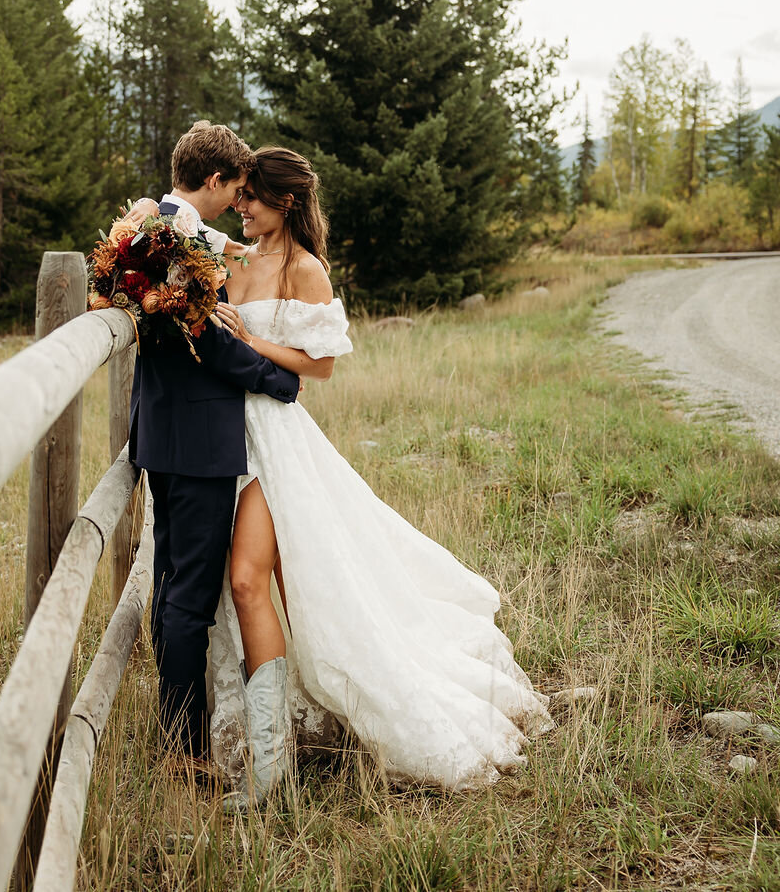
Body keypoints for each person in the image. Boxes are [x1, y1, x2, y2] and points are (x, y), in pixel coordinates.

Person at [208, 146, 552, 807]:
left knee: (250, 581)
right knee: (254, 587)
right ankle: (273, 739)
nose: (239, 204)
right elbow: (174, 223)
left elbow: (322, 366)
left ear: (283, 202)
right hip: (222, 433)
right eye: (237, 194)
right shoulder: (235, 258)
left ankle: (269, 762)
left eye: (250, 195)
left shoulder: (306, 271)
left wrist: (247, 342)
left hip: (273, 442)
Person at [127, 121, 302, 771]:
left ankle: (172, 730)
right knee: (190, 594)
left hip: (165, 431)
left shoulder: (160, 226)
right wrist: (278, 378)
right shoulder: (172, 239)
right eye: (233, 188)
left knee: (172, 580)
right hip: (197, 437)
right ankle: (179, 747)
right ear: (213, 180)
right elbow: (207, 342)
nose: (238, 199)